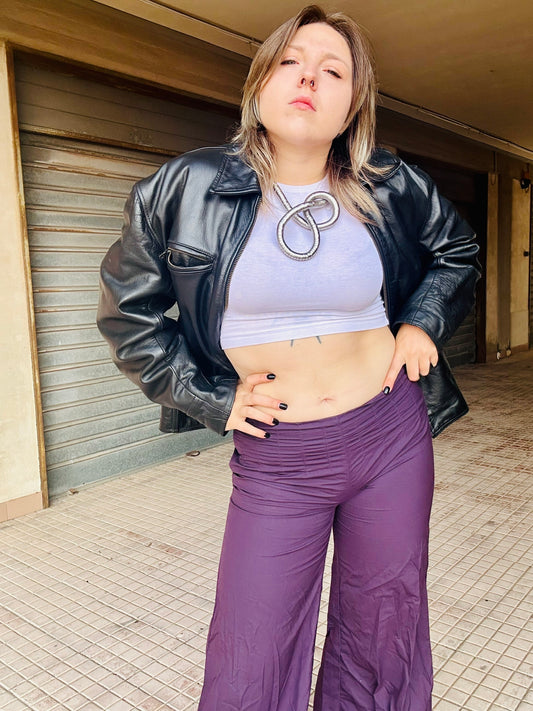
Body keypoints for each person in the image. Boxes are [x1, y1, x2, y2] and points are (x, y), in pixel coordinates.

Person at [97, 5, 480, 710]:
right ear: (260, 84)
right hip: (279, 454)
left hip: (390, 435)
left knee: (383, 630)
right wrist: (213, 398)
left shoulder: (390, 182)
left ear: (352, 104)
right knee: (251, 652)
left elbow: (455, 251)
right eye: (291, 62)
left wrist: (421, 324)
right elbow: (129, 317)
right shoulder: (182, 188)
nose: (309, 78)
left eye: (333, 70)